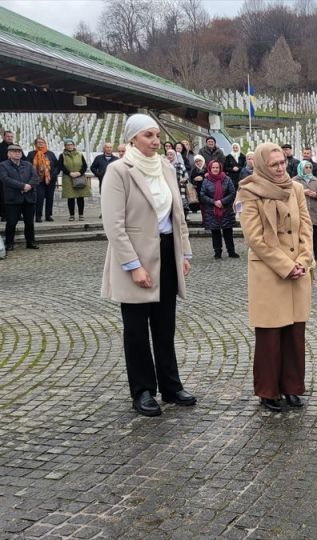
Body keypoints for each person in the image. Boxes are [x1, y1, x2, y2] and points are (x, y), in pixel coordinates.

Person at [100, 114, 195, 417]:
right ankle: (142, 390)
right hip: (135, 258)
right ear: (132, 140)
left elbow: (177, 216)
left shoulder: (165, 167)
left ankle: (170, 385)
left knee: (165, 325)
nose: (156, 141)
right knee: (137, 329)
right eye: (148, 136)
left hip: (167, 252)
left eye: (157, 136)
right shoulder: (119, 171)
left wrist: (184, 254)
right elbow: (114, 225)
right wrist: (133, 265)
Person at [237, 142, 313, 411]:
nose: (281, 168)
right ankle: (268, 390)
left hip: (297, 270)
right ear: (261, 166)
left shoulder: (295, 189)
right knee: (270, 335)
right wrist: (285, 266)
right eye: (274, 165)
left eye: (282, 163)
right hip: (269, 273)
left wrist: (303, 260)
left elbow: (306, 227)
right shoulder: (250, 192)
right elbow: (254, 238)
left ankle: (292, 387)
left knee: (295, 333)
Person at [1, 144, 39, 251]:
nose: (17, 153)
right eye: (14, 151)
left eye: (19, 151)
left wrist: (29, 186)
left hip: (29, 197)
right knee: (11, 223)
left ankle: (31, 242)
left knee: (29, 222)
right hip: (13, 199)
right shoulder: (3, 165)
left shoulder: (27, 164)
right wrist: (22, 186)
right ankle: (9, 243)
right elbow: (5, 179)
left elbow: (35, 177)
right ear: (9, 154)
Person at [200, 160, 238, 259]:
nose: (215, 169)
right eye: (213, 168)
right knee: (215, 232)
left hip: (226, 209)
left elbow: (232, 193)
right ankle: (217, 252)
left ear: (220, 168)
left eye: (217, 167)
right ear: (210, 168)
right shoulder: (206, 180)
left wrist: (222, 201)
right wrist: (214, 202)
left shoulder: (227, 179)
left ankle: (231, 251)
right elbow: (203, 195)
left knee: (228, 231)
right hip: (212, 210)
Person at [293, 160, 317, 262]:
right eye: (306, 167)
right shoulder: (294, 181)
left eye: (310, 167)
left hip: (313, 210)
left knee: (315, 233)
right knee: (299, 233)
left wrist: (316, 194)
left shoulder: (315, 180)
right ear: (301, 168)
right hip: (300, 211)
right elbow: (290, 193)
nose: (308, 169)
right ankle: (299, 254)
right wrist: (302, 192)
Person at [26, 136, 60, 223]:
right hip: (38, 181)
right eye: (39, 142)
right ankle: (38, 216)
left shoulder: (51, 154)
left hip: (50, 180)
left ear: (45, 143)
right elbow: (28, 166)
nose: (41, 144)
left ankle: (48, 215)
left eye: (42, 142)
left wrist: (52, 175)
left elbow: (57, 166)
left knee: (50, 198)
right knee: (39, 198)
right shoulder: (31, 154)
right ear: (35, 144)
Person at [59, 138, 89, 221]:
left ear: (74, 145)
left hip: (79, 177)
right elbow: (61, 166)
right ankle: (71, 215)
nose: (69, 146)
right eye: (67, 145)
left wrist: (79, 173)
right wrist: (69, 173)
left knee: (80, 197)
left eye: (71, 144)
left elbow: (85, 166)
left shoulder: (80, 154)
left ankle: (81, 215)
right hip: (68, 178)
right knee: (70, 197)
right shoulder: (62, 156)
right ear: (65, 146)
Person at [165, 149, 190, 217]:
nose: (169, 156)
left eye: (171, 154)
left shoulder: (180, 165)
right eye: (168, 155)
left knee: (181, 207)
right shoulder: (164, 166)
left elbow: (187, 177)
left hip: (180, 190)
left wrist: (184, 179)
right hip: (168, 190)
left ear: (175, 156)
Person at [0, 130, 13, 222]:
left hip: (15, 176)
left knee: (14, 195)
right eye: (8, 136)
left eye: (11, 136)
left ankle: (16, 213)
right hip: (2, 175)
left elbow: (24, 160)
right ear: (4, 137)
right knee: (2, 195)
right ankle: (3, 214)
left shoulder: (16, 147)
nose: (10, 138)